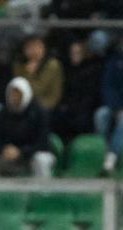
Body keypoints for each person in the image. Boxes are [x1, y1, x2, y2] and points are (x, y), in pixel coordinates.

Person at [0, 78, 56, 178]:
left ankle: (42, 192)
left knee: (41, 160)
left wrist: (21, 151)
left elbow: (43, 143)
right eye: (12, 94)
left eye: (18, 94)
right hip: (9, 156)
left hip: (32, 155)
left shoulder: (39, 113)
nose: (15, 97)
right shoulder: (2, 114)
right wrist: (3, 149)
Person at [52, 39, 103, 142]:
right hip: (68, 107)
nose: (74, 55)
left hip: (86, 107)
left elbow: (91, 95)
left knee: (81, 119)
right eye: (72, 53)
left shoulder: (92, 69)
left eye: (78, 53)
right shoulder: (66, 69)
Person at [13, 35, 64, 112]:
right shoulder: (19, 65)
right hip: (24, 104)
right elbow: (18, 90)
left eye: (37, 46)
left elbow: (38, 90)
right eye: (30, 47)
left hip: (47, 103)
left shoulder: (52, 65)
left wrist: (29, 74)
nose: (34, 51)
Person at [95, 40, 123, 174]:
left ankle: (112, 156)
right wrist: (117, 107)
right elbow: (108, 88)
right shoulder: (115, 61)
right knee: (101, 114)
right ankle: (106, 150)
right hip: (115, 105)